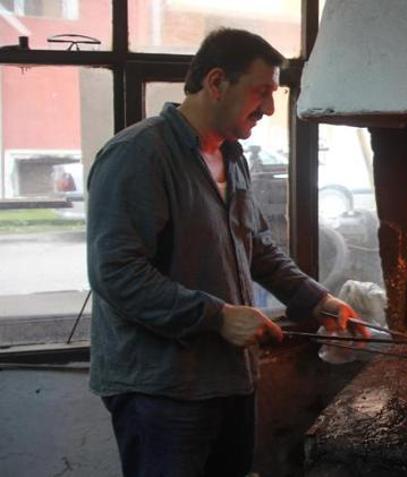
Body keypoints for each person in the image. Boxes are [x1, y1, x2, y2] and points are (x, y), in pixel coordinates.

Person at [86, 28, 365, 477]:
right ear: (217, 82)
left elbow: (257, 249)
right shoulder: (138, 156)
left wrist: (318, 301)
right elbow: (117, 274)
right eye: (262, 92)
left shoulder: (231, 156)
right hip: (164, 390)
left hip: (230, 380)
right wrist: (216, 316)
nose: (271, 109)